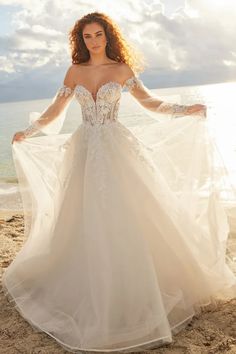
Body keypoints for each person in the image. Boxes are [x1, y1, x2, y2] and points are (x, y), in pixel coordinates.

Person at [3, 11, 236, 354]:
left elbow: (149, 103)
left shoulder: (122, 70)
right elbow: (56, 109)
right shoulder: (75, 72)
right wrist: (30, 131)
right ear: (80, 41)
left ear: (108, 36)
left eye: (98, 35)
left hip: (117, 149)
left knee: (132, 213)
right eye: (87, 37)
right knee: (80, 215)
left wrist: (183, 109)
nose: (93, 41)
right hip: (84, 149)